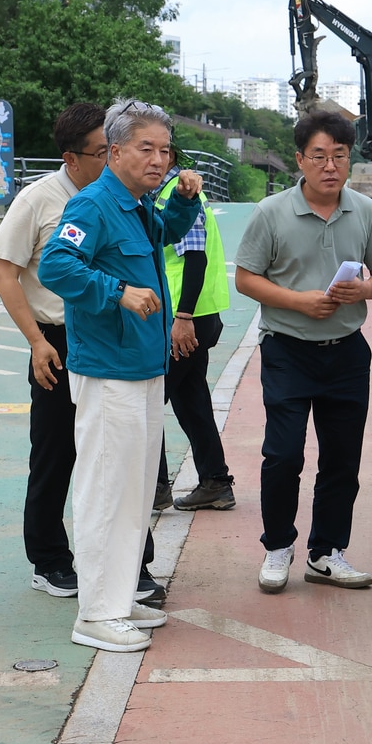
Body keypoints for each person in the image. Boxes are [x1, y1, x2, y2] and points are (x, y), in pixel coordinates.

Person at [38, 98, 204, 652]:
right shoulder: (94, 205)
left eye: (165, 151)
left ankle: (116, 597)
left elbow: (163, 237)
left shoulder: (136, 204)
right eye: (145, 149)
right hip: (109, 372)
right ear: (113, 152)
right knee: (106, 489)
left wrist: (183, 202)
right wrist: (117, 293)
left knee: (133, 491)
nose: (159, 160)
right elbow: (56, 266)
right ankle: (96, 613)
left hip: (140, 368)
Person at [0, 104, 164, 606]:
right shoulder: (46, 200)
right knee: (61, 456)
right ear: (75, 157)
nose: (112, 158)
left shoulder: (130, 200)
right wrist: (36, 342)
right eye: (102, 151)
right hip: (59, 340)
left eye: (162, 150)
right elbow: (11, 273)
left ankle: (132, 570)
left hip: (117, 342)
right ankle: (51, 560)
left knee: (128, 466)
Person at [234, 110, 372, 595]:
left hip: (347, 353)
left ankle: (326, 552)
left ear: (350, 160)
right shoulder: (272, 213)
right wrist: (299, 301)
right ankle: (278, 546)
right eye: (319, 156)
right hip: (287, 350)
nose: (330, 166)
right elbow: (246, 278)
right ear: (300, 159)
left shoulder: (364, 211)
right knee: (283, 455)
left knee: (342, 460)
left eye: (340, 156)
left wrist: (364, 291)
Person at [152, 171, 236, 512]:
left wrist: (183, 316)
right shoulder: (163, 191)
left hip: (182, 316)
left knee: (148, 397)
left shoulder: (180, 193)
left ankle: (155, 486)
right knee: (191, 398)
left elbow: (195, 256)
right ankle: (215, 481)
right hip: (192, 313)